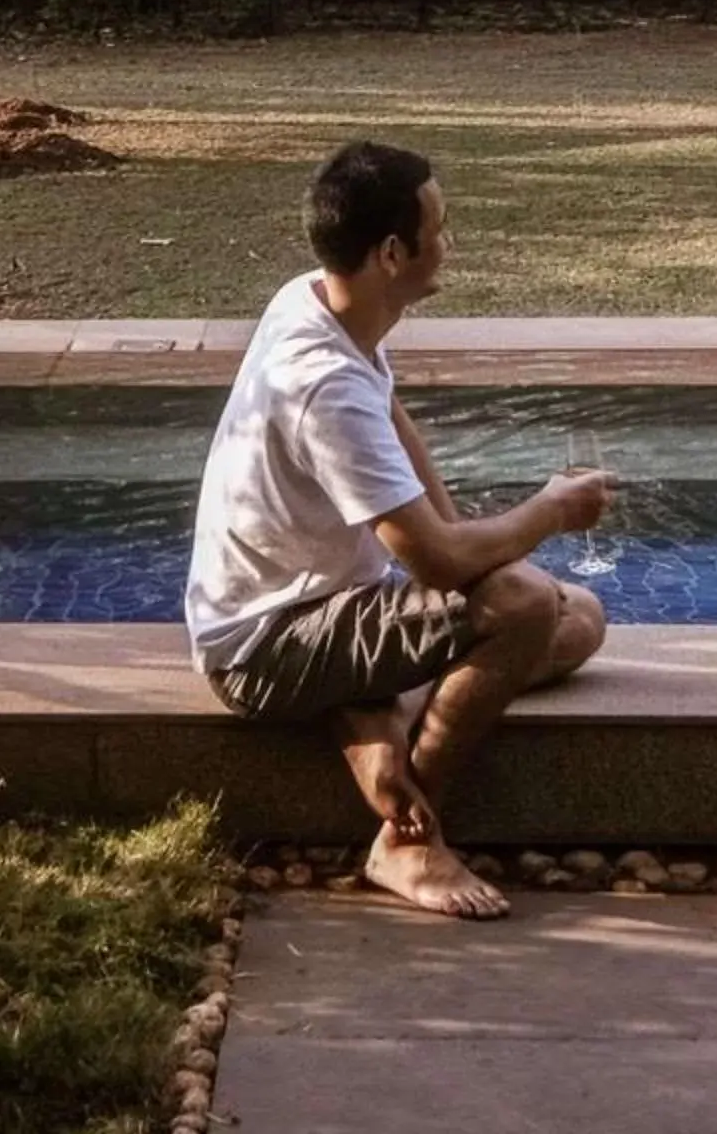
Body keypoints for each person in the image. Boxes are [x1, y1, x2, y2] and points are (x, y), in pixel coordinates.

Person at [184, 140, 609, 919]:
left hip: (321, 606)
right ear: (391, 252)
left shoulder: (318, 300)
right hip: (265, 646)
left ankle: (371, 718)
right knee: (522, 604)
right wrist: (548, 512)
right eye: (440, 227)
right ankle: (407, 842)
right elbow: (438, 563)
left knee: (578, 617)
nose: (450, 242)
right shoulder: (323, 384)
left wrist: (459, 536)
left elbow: (387, 414)